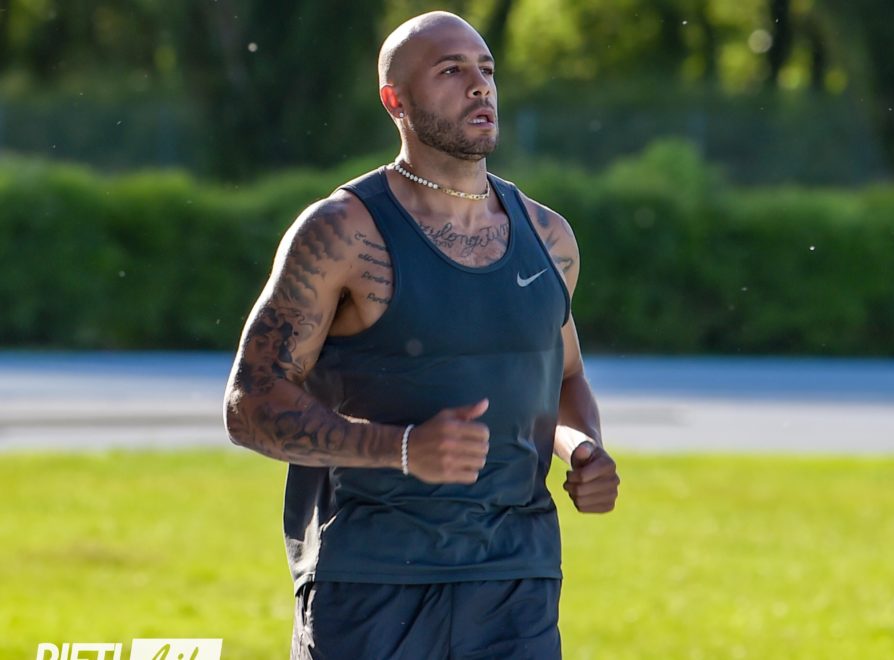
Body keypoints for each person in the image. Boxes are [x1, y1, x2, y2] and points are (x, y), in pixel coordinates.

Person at [222, 10, 620, 660]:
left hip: (516, 582)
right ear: (395, 101)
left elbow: (561, 375)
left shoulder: (549, 237)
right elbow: (250, 405)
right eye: (450, 71)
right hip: (372, 581)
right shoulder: (341, 233)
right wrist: (402, 448)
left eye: (486, 69)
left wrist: (584, 449)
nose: (479, 85)